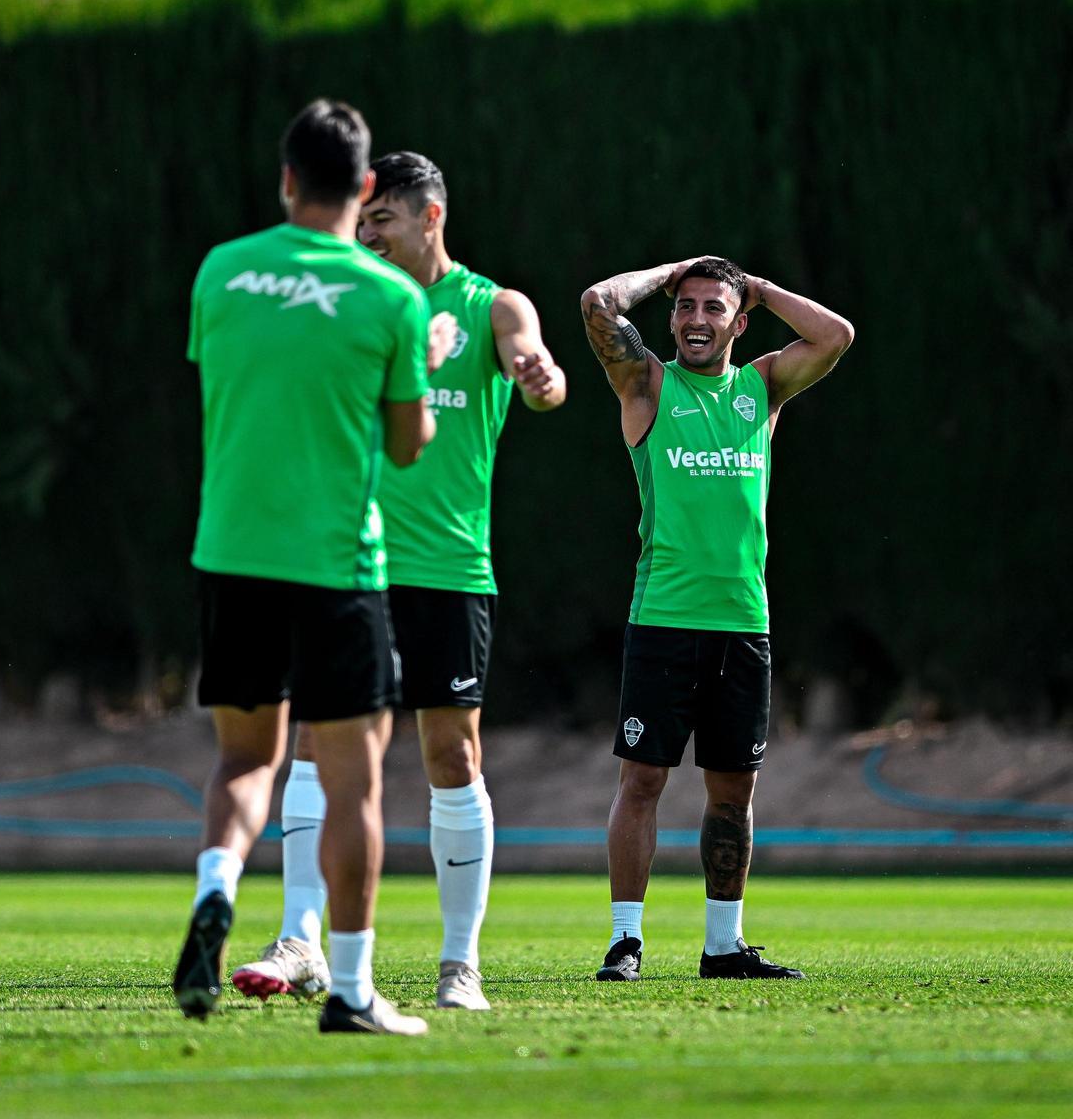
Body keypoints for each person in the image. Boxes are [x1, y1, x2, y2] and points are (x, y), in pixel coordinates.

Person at [230, 151, 567, 1011]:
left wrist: (539, 376)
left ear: (431, 217)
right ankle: (301, 939)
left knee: (452, 753)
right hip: (350, 564)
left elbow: (539, 369)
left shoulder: (494, 304)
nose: (366, 231)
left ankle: (461, 965)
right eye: (362, 218)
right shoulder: (353, 300)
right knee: (321, 749)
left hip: (450, 568)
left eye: (381, 219)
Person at [172, 100, 439, 1036]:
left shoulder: (221, 272)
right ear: (365, 189)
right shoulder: (393, 299)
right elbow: (408, 448)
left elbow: (232, 385)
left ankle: (216, 886)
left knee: (246, 757)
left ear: (286, 179)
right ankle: (355, 991)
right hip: (338, 565)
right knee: (354, 781)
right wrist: (425, 367)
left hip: (232, 556)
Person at [580, 255, 853, 980]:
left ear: (738, 321)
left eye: (712, 308)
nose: (695, 319)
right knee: (642, 782)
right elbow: (598, 305)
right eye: (685, 306)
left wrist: (757, 289)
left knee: (735, 790)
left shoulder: (761, 387)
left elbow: (836, 335)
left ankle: (724, 946)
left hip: (744, 621)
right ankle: (625, 942)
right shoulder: (648, 384)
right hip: (664, 617)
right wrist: (671, 271)